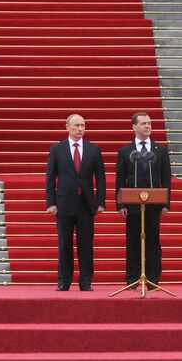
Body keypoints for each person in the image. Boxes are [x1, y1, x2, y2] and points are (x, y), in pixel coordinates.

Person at [45, 114, 106, 291]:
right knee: (64, 243)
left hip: (86, 204)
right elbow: (50, 178)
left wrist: (100, 202)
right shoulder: (57, 149)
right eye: (77, 125)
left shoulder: (93, 149)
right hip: (64, 203)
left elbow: (100, 178)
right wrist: (51, 202)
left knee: (86, 243)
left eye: (83, 125)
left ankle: (86, 281)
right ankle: (64, 280)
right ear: (67, 127)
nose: (81, 129)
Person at [115, 112, 171, 289]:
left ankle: (153, 279)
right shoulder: (125, 151)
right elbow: (119, 179)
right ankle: (132, 278)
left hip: (154, 203)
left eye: (149, 123)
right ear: (134, 127)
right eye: (143, 123)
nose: (148, 126)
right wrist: (120, 204)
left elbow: (166, 178)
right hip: (132, 204)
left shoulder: (160, 150)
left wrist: (166, 203)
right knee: (133, 240)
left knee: (153, 241)